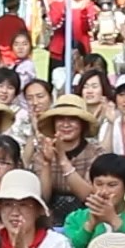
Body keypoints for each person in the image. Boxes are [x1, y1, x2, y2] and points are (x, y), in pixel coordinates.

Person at [33, 94, 101, 223]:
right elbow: (42, 198)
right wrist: (47, 163)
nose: (66, 124)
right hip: (50, 219)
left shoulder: (95, 153)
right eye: (61, 119)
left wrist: (62, 159)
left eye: (72, 119)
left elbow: (89, 197)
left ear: (82, 124)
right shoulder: (42, 152)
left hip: (86, 218)